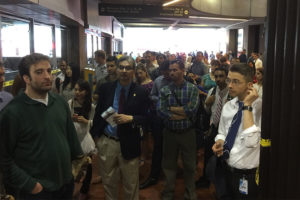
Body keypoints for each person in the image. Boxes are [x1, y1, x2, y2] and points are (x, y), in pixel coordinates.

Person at [0, 53, 83, 200]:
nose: (47, 76)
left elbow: (71, 138)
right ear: (26, 78)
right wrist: (30, 185)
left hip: (65, 184)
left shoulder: (59, 102)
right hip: (37, 191)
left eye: (49, 71)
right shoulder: (13, 112)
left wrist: (75, 167)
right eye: (39, 72)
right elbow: (4, 158)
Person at [90, 56, 149, 200]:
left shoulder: (140, 91)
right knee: (109, 181)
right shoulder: (106, 88)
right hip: (107, 141)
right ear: (116, 69)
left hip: (129, 141)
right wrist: (96, 138)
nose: (124, 71)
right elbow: (99, 114)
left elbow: (147, 118)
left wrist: (132, 118)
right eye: (121, 67)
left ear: (133, 71)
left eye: (128, 68)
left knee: (130, 183)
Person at [212, 63, 262, 200]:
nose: (230, 85)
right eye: (229, 80)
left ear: (249, 85)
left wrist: (247, 106)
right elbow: (222, 131)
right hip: (226, 168)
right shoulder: (228, 106)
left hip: (248, 174)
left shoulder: (260, 108)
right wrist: (220, 142)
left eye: (236, 81)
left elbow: (251, 142)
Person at [158, 60, 199, 200]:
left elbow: (192, 110)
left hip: (188, 133)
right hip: (170, 133)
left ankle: (190, 193)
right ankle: (168, 193)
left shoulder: (192, 89)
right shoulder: (165, 90)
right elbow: (161, 111)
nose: (172, 72)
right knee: (168, 165)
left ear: (182, 70)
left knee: (190, 165)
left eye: (175, 70)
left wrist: (172, 110)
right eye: (170, 70)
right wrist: (182, 112)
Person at [140, 61, 172, 189]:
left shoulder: (178, 81)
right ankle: (154, 175)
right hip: (159, 118)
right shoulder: (158, 81)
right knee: (158, 147)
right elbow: (152, 95)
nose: (167, 75)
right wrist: (160, 99)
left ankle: (170, 178)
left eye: (168, 72)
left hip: (173, 119)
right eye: (164, 73)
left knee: (172, 148)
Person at [197, 66, 230, 188]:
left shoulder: (231, 93)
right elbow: (208, 111)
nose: (218, 79)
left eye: (221, 76)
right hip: (214, 127)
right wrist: (207, 104)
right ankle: (206, 179)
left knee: (223, 158)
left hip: (226, 130)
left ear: (226, 77)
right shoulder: (212, 91)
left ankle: (222, 184)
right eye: (216, 76)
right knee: (208, 154)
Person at [68, 79, 96, 200]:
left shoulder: (91, 105)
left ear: (86, 91)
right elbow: (66, 119)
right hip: (73, 138)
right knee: (72, 166)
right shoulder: (70, 103)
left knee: (87, 166)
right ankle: (70, 189)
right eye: (76, 89)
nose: (77, 92)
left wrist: (86, 121)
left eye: (81, 90)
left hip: (85, 139)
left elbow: (95, 122)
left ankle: (84, 190)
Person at [135, 63, 154, 166]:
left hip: (147, 112)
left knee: (145, 135)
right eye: (137, 73)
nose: (139, 75)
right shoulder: (136, 84)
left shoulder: (151, 84)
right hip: (138, 112)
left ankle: (144, 155)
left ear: (145, 73)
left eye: (140, 73)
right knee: (139, 135)